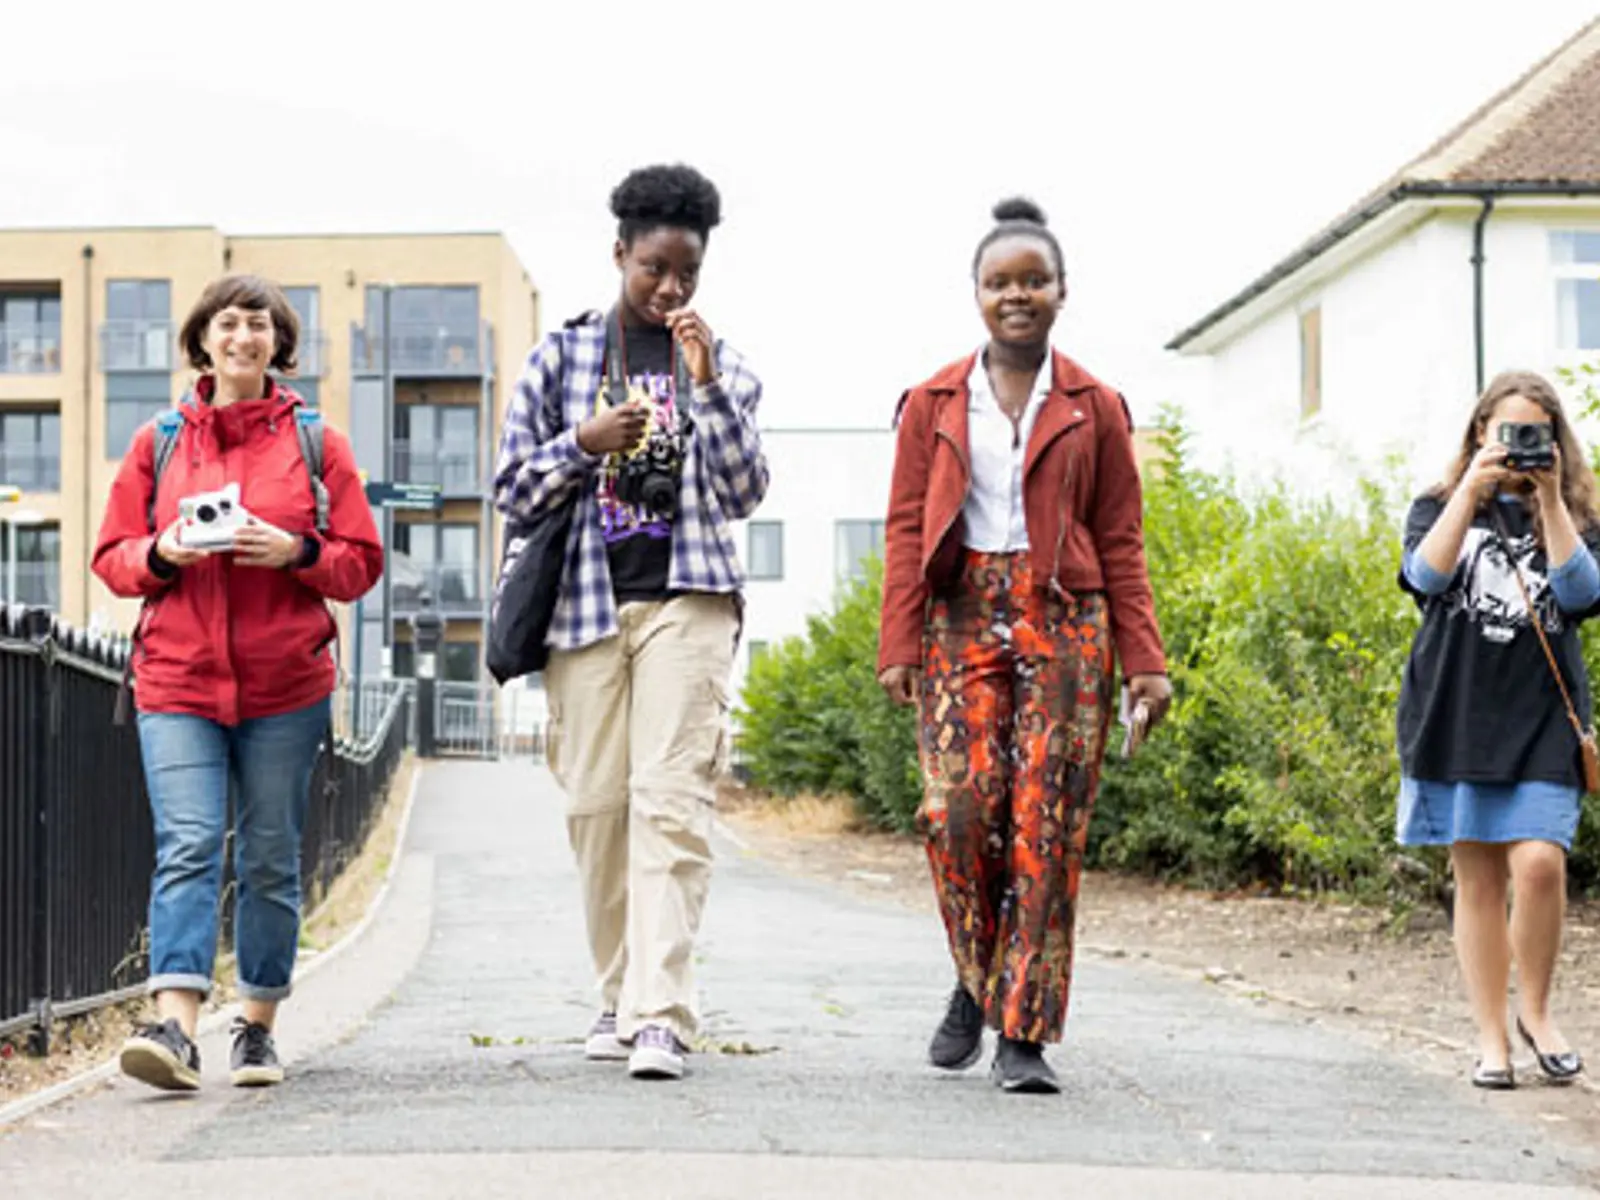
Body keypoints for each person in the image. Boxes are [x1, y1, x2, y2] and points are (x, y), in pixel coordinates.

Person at [877, 198, 1171, 1094]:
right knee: (958, 812)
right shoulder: (932, 403)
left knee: (1046, 820)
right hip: (960, 612)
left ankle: (1023, 1034)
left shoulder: (1096, 406)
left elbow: (1121, 538)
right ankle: (980, 977)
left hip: (1066, 618)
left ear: (1061, 292)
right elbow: (904, 528)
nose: (1017, 296)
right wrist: (898, 640)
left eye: (1033, 281)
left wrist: (1146, 661)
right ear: (976, 293)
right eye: (999, 282)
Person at [493, 163, 768, 1081]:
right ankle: (619, 993)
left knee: (670, 805)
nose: (671, 288)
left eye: (688, 271)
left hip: (689, 599)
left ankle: (662, 1014)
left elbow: (743, 492)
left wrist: (707, 390)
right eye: (655, 268)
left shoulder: (724, 365)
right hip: (584, 608)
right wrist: (584, 443)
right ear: (620, 254)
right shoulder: (561, 358)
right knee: (596, 810)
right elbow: (510, 491)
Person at [92, 274, 384, 1091]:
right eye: (228, 323)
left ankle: (255, 1030)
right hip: (178, 681)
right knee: (187, 845)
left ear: (278, 343)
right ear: (203, 340)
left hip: (285, 687)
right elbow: (112, 557)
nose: (243, 337)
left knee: (268, 857)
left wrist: (295, 552)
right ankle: (175, 1031)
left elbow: (360, 562)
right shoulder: (158, 442)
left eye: (259, 324)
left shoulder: (317, 443)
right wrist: (162, 553)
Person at [1397, 369, 1596, 1090]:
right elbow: (1425, 578)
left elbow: (1583, 595)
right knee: (1476, 879)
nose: (1519, 446)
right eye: (1507, 432)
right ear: (1481, 431)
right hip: (1454, 712)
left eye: (1535, 434)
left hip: (1542, 717)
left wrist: (1550, 501)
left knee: (1540, 863)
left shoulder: (1578, 511)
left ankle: (1535, 1012)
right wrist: (1470, 493)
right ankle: (1491, 1039)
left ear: (1556, 439)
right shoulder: (1436, 504)